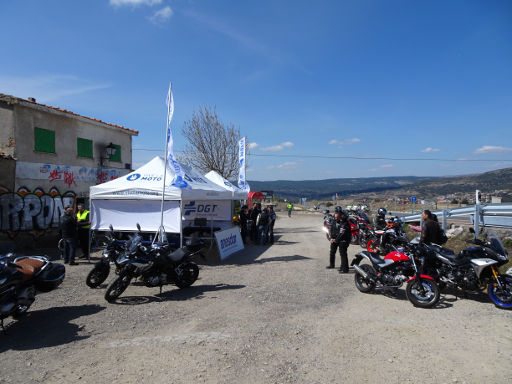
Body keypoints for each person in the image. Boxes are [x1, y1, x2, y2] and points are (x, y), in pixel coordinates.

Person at [327, 207, 351, 273]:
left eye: (337, 213)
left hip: (343, 239)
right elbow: (331, 229)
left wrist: (336, 240)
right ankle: (332, 265)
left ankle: (345, 269)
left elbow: (342, 233)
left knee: (343, 254)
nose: (336, 215)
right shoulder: (333, 220)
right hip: (335, 238)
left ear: (340, 214)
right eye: (335, 213)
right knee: (332, 252)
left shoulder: (344, 221)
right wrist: (331, 238)